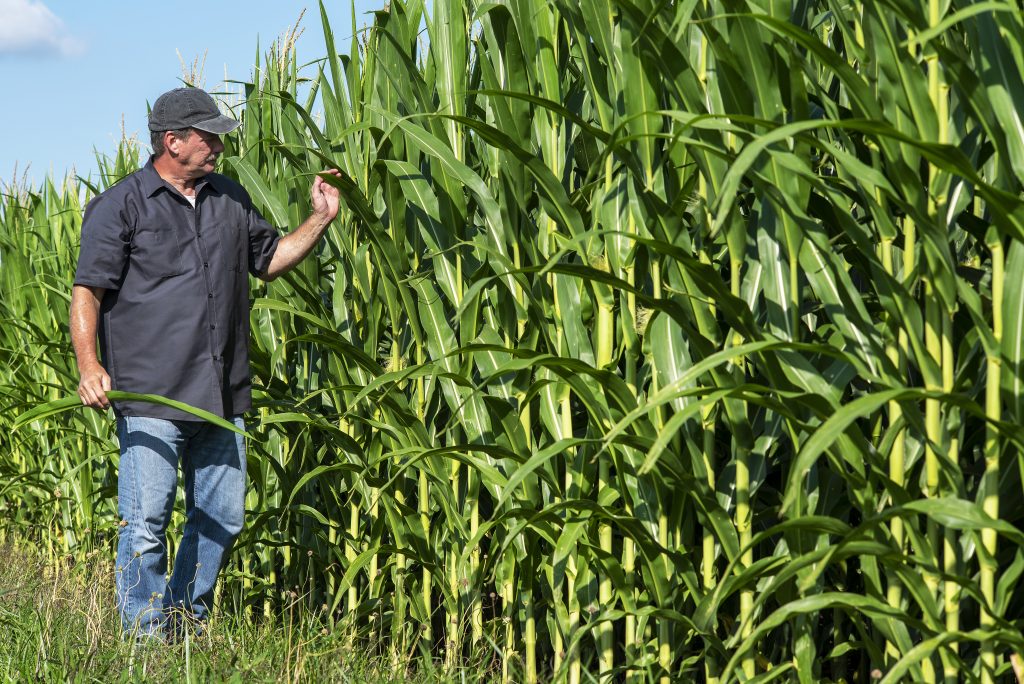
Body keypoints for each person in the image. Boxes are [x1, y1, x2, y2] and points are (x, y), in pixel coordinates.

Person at [69, 87, 341, 639]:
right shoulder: (121, 205)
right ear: (173, 141)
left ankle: (180, 624)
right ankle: (145, 643)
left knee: (222, 519)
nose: (219, 145)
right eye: (209, 136)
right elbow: (88, 292)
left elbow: (269, 261)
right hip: (151, 394)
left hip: (221, 393)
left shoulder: (229, 198)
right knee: (145, 525)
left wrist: (320, 219)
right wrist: (89, 365)